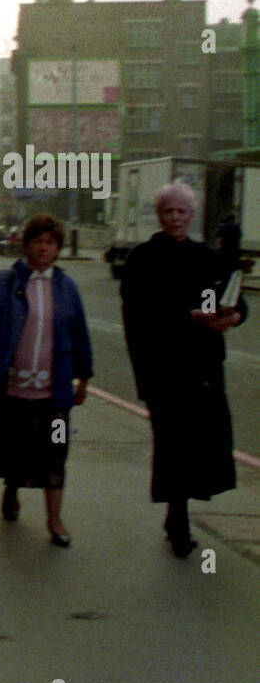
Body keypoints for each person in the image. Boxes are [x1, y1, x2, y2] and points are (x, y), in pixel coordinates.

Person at [120, 182, 248, 558]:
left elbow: (227, 297)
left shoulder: (207, 258)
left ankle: (180, 511)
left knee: (199, 444)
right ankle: (178, 518)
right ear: (158, 216)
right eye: (168, 212)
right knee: (172, 443)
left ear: (193, 216)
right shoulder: (143, 259)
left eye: (182, 212)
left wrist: (233, 316)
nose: (175, 218)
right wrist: (186, 316)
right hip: (163, 367)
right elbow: (139, 313)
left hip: (204, 367)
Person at [0, 213, 93, 547]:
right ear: (26, 245)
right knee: (14, 450)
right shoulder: (3, 284)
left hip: (55, 395)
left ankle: (55, 520)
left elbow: (79, 333)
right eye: (37, 242)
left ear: (58, 249)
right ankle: (11, 490)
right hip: (13, 389)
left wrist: (83, 377)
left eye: (50, 243)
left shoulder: (67, 288)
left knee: (55, 453)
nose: (43, 249)